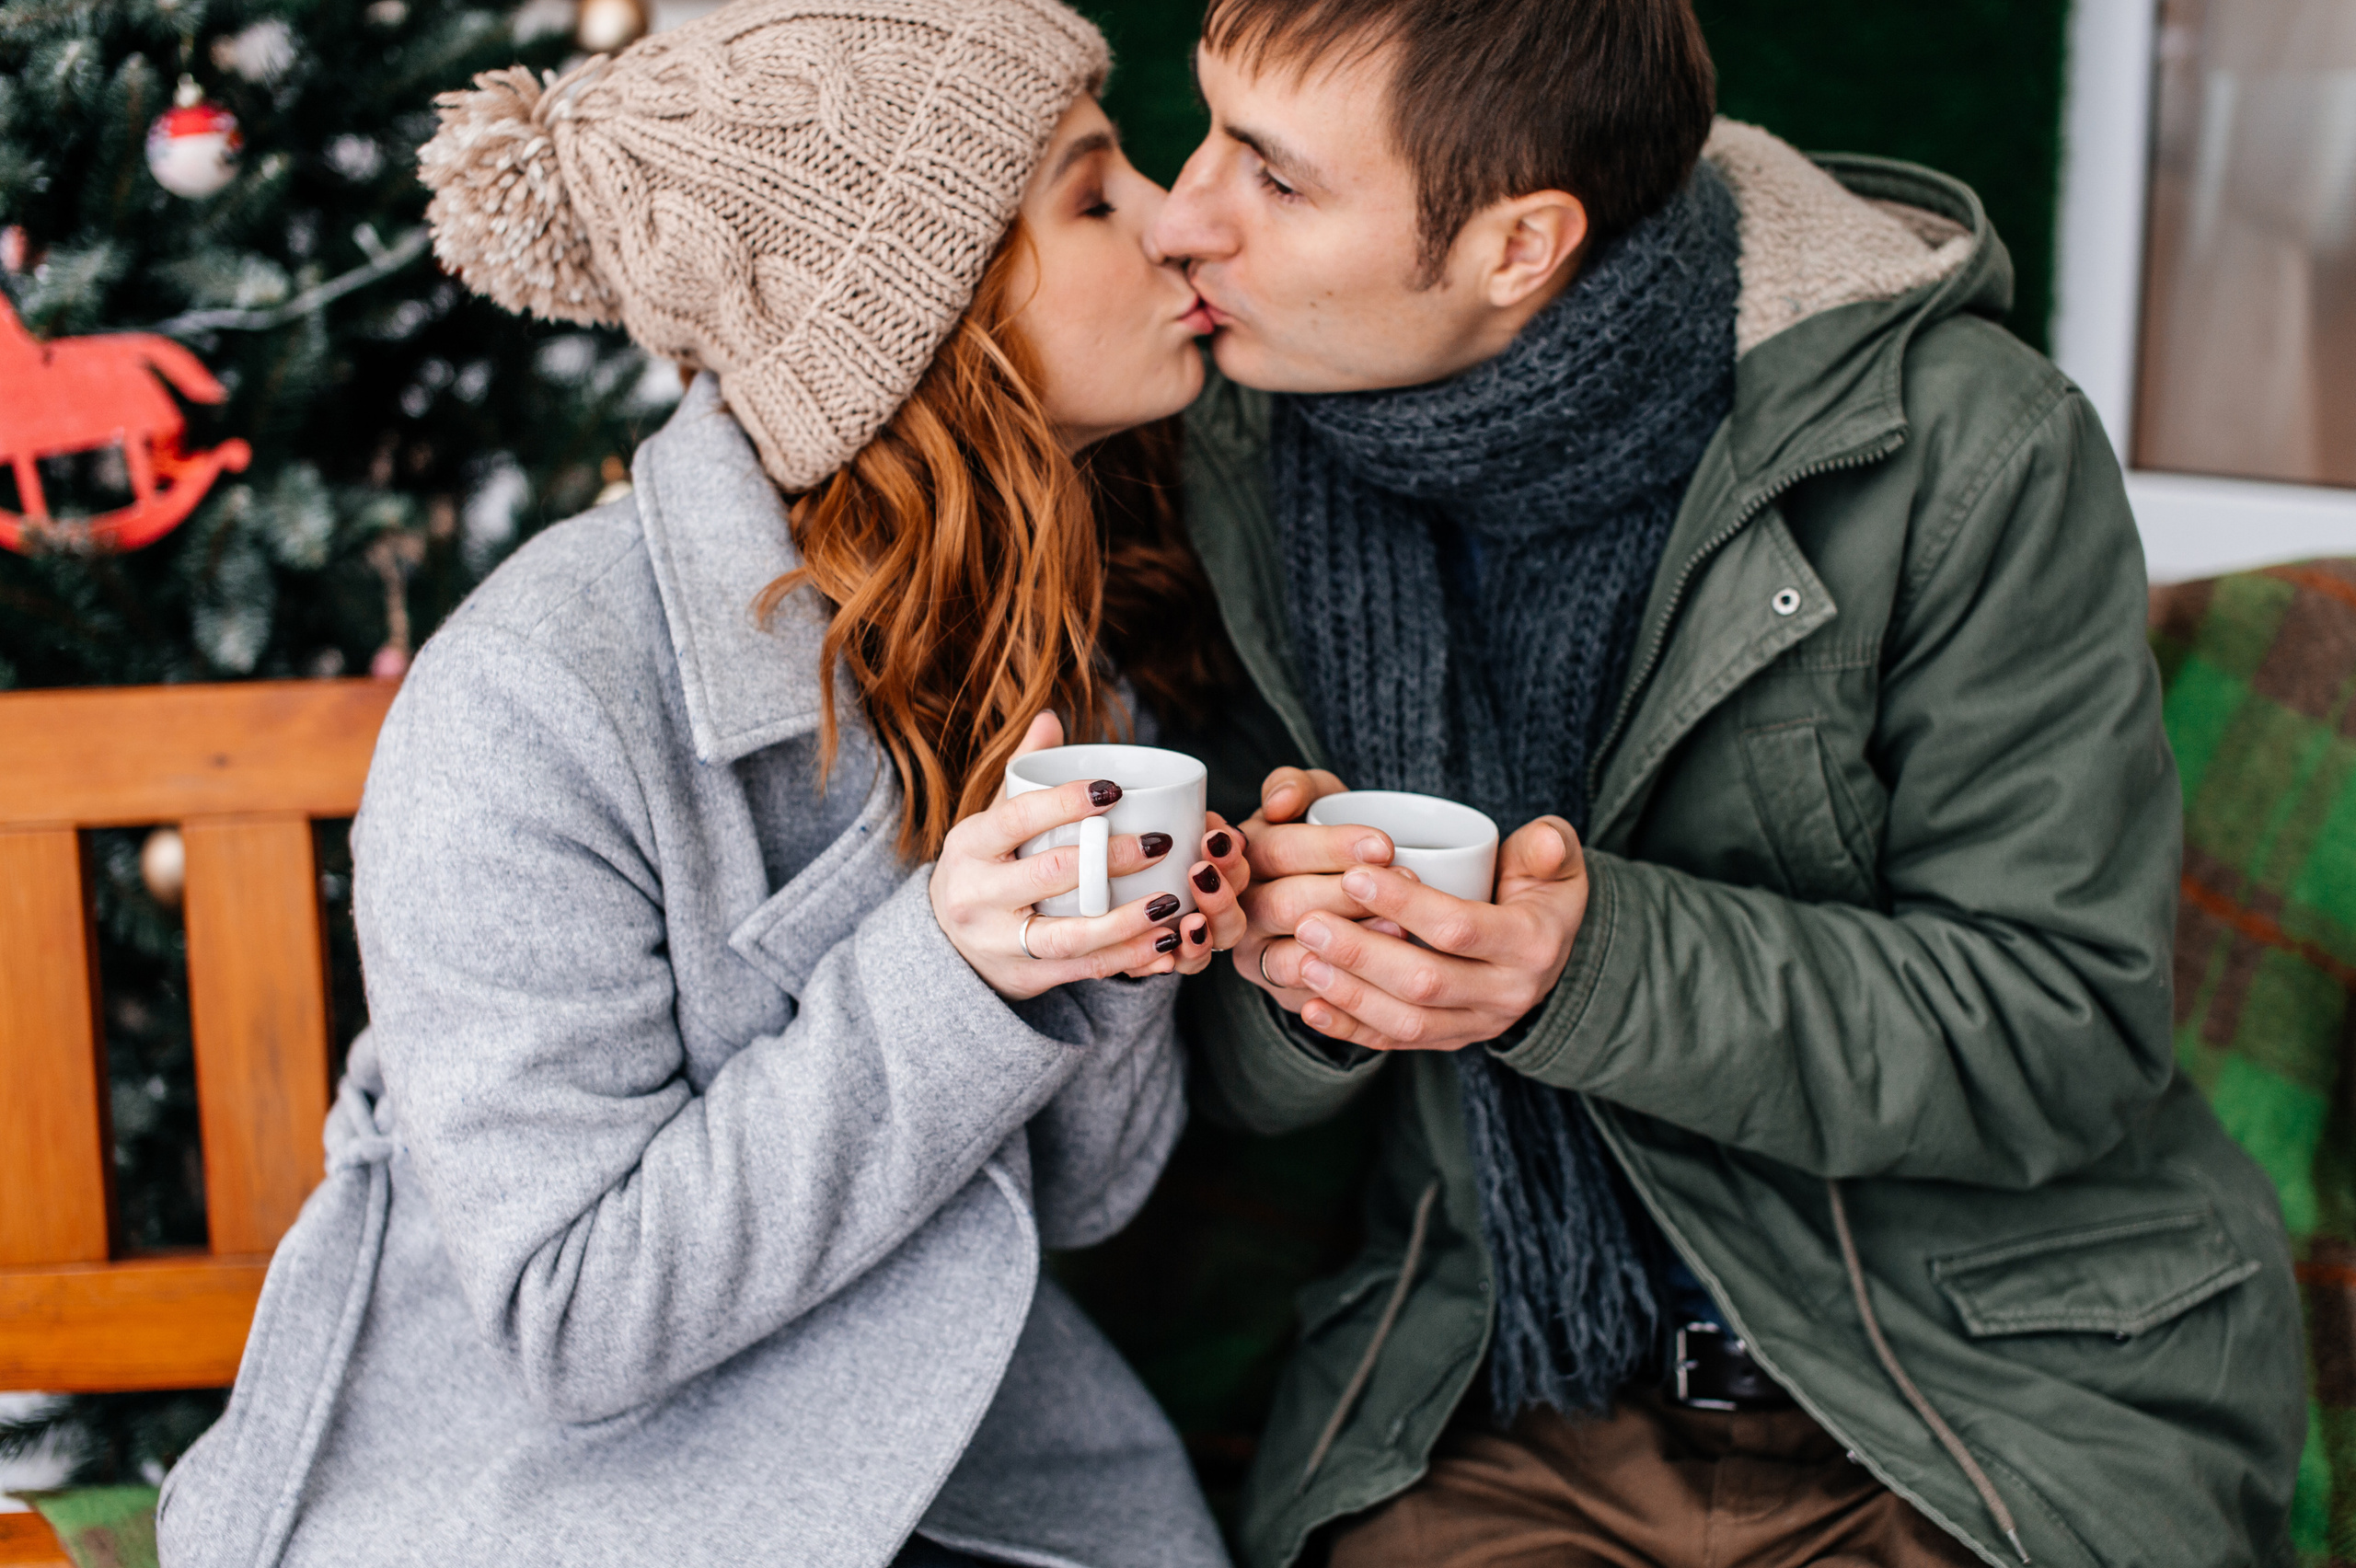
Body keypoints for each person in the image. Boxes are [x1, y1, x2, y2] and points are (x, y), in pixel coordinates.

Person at [1146, 1, 2306, 1565]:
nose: (1180, 210)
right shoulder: (1226, 462)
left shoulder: (1969, 452)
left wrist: (1583, 967)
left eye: (1274, 179)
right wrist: (1299, 978)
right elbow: (1204, 1076)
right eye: (1208, 129)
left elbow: (2064, 1030)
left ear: (1517, 246)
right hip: (1509, 1385)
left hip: (1979, 1395)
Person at [156, 3, 1250, 1564]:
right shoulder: (536, 695)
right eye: (1093, 193)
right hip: (552, 1503)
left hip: (957, 1468)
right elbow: (572, 1315)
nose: (1177, 221)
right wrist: (952, 970)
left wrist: (1117, 957)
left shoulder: (1034, 639)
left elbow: (1086, 1202)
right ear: (913, 309)